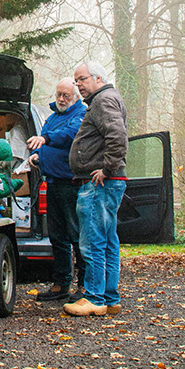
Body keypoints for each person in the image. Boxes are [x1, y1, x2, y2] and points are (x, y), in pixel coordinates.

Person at [64, 60, 128, 318]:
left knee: (91, 242)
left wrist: (107, 169)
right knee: (109, 241)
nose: (77, 84)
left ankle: (94, 297)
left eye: (82, 79)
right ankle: (110, 299)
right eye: (76, 79)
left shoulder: (102, 101)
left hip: (100, 183)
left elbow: (117, 136)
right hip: (109, 183)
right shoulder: (107, 99)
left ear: (98, 79)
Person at [27, 78, 87, 302]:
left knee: (77, 236)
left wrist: (45, 138)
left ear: (76, 97)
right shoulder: (52, 118)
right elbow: (46, 145)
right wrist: (37, 156)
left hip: (71, 185)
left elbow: (69, 137)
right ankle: (61, 283)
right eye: (59, 94)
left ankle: (83, 285)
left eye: (66, 95)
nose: (61, 99)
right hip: (51, 183)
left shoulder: (80, 115)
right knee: (57, 237)